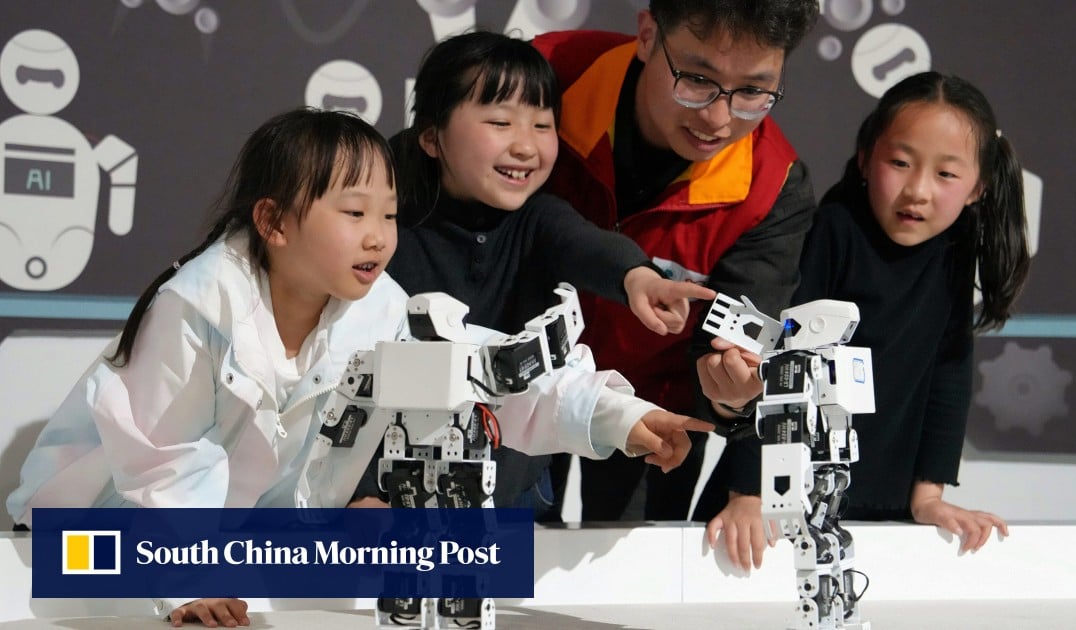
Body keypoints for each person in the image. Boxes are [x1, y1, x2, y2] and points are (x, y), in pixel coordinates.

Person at [6, 108, 710, 626]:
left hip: (254, 540)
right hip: (110, 530)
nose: (378, 237)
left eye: (390, 215)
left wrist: (616, 415)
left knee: (413, 543)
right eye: (353, 213)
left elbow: (480, 375)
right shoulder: (195, 305)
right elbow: (163, 458)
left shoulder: (378, 308)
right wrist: (191, 580)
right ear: (274, 223)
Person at [347, 31, 715, 517]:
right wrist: (360, 488)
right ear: (432, 137)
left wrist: (637, 277)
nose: (525, 146)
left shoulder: (539, 218)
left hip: (512, 488)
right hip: (384, 488)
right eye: (500, 122)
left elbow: (584, 244)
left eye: (543, 125)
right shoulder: (385, 224)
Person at [699, 71, 1030, 564]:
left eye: (946, 174)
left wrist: (929, 496)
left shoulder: (957, 248)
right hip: (767, 499)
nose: (917, 190)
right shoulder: (834, 229)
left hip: (885, 504)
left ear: (978, 187)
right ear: (865, 157)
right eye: (900, 163)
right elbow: (779, 360)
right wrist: (749, 490)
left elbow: (949, 372)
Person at [531, 0, 821, 533]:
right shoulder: (541, 78)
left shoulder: (773, 185)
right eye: (697, 79)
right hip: (513, 383)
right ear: (647, 35)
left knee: (632, 578)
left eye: (753, 91)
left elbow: (734, 351)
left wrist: (728, 396)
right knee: (489, 564)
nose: (718, 118)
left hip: (652, 410)